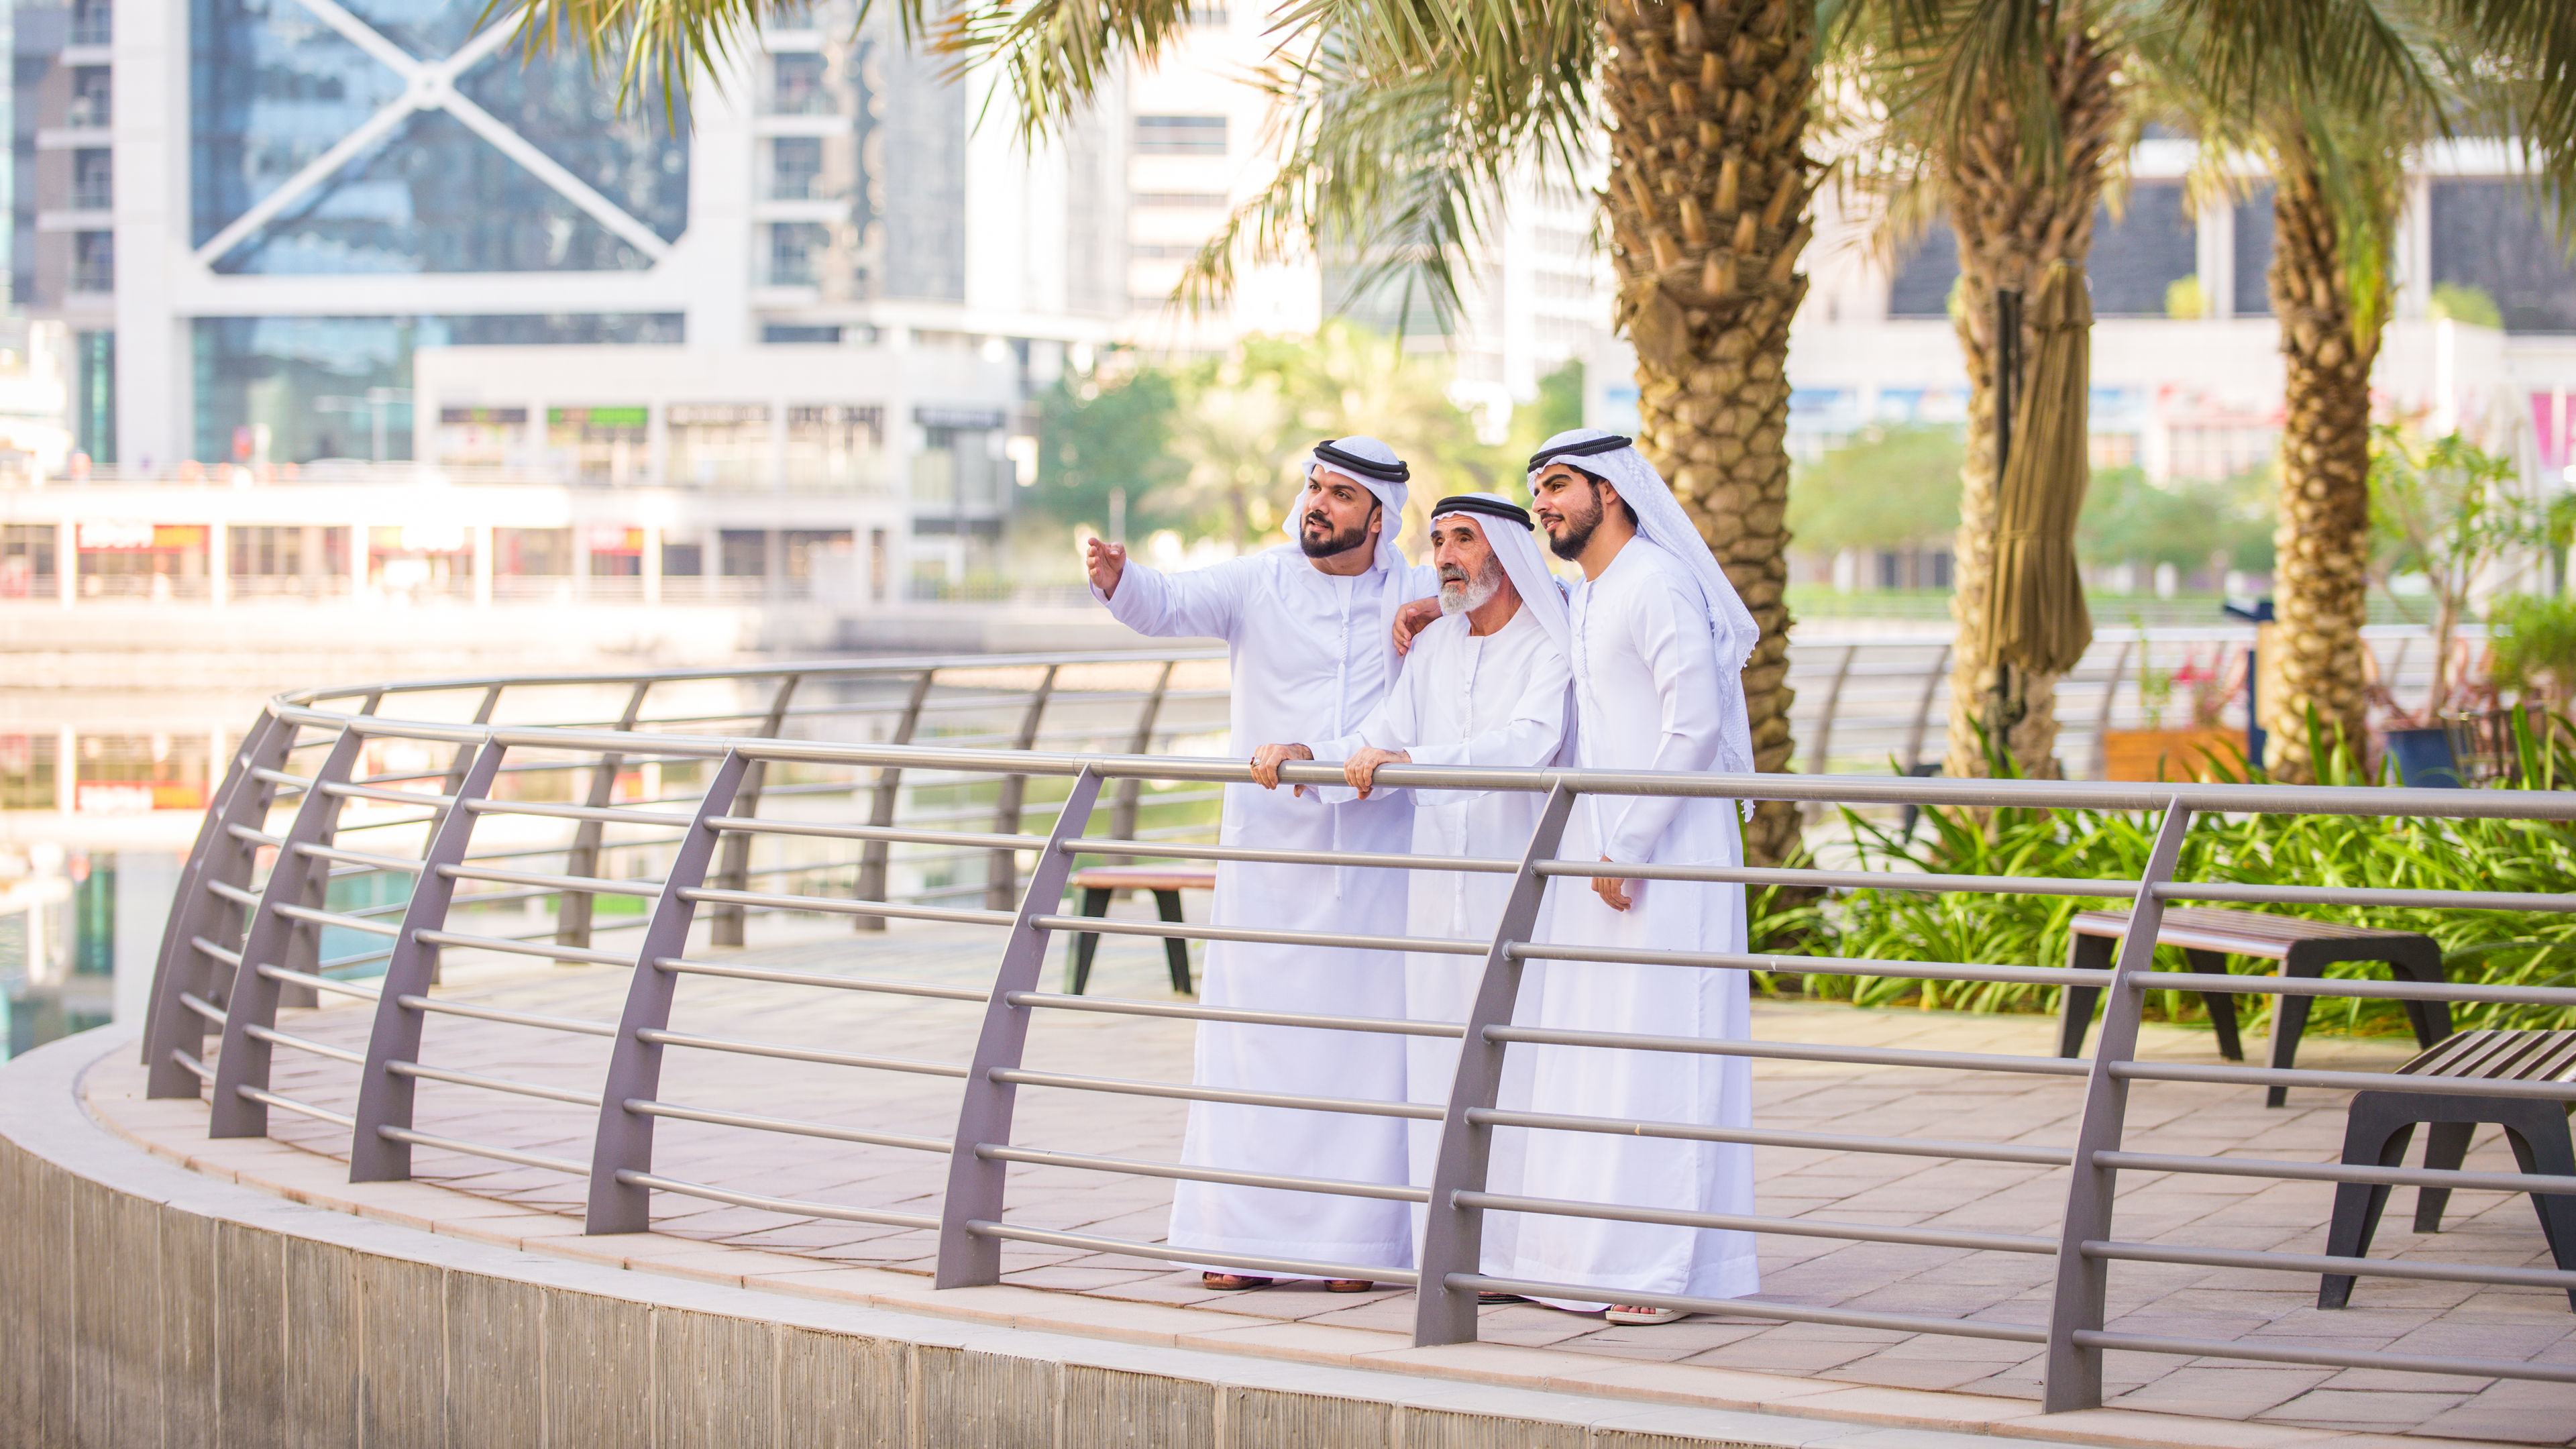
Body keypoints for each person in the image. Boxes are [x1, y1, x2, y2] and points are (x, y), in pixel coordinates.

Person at [1085, 436, 1437, 1293]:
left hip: (1380, 859)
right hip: (1268, 861)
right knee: (1257, 1048)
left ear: (1378, 517)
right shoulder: (1261, 581)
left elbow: (1505, 618)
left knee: (1365, 1051)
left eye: (1341, 495)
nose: (1318, 503)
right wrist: (1117, 579)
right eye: (1314, 487)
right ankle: (1239, 1242)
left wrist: (1439, 618)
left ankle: (1358, 1249)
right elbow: (1164, 604)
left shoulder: (1415, 592)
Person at [1246, 494, 1574, 1283]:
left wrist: (1417, 761)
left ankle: (1521, 1260)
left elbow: (1532, 744)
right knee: (1436, 1068)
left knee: (1519, 1072)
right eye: (1438, 541)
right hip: (1436, 897)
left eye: (1465, 539)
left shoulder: (1551, 649)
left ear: (1506, 552)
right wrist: (1308, 755)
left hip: (1518, 889)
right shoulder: (1434, 651)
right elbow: (1379, 744)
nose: (1447, 555)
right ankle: (1450, 1257)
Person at [1501, 427, 1763, 1326]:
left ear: (1611, 492)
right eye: (1538, 491)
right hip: (1611, 855)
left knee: (1663, 1048)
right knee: (1609, 1052)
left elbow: (1691, 725)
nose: (1545, 505)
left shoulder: (1654, 581)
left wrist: (1634, 843)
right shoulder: (1593, 594)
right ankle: (1601, 1253)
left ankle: (1660, 1271)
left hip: (1669, 854)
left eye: (1560, 486)